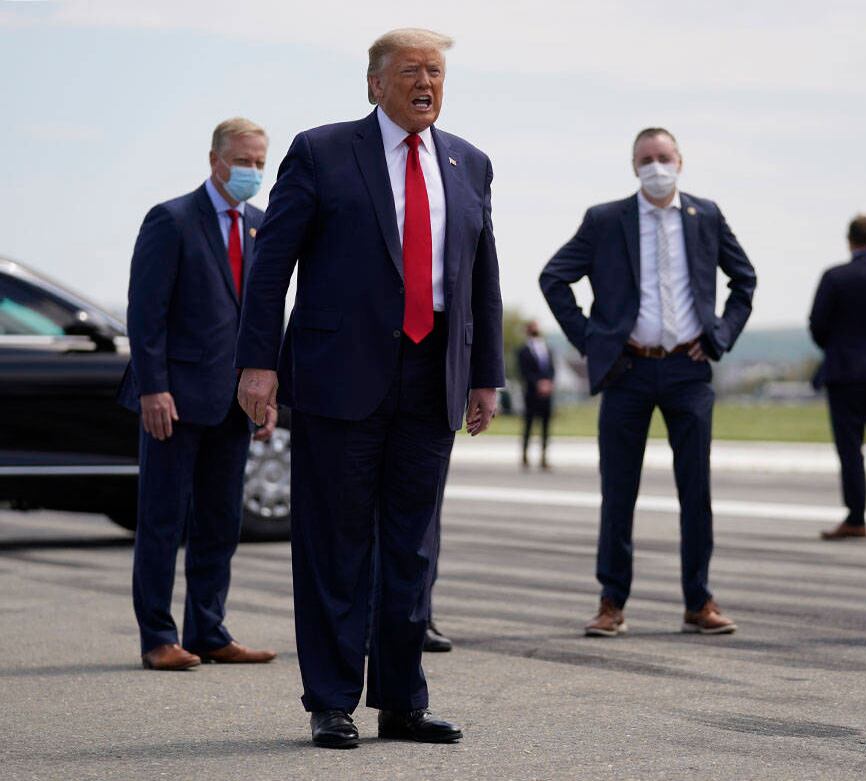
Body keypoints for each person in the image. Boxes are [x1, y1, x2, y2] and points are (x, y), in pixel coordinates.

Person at [234, 28, 503, 748]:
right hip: (338, 377)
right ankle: (330, 698)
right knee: (335, 542)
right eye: (413, 71)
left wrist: (486, 374)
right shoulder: (322, 151)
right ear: (375, 84)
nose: (427, 83)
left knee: (412, 549)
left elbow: (482, 278)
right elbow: (273, 266)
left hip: (432, 376)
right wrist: (259, 362)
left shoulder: (468, 163)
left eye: (437, 72)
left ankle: (402, 699)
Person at [540, 127, 756, 638]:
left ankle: (698, 601)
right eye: (645, 159)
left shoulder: (707, 216)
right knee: (618, 491)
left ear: (680, 160)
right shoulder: (606, 219)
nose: (656, 166)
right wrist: (592, 340)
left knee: (695, 491)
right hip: (627, 370)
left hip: (689, 369)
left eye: (663, 157)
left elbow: (744, 280)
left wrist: (720, 335)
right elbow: (554, 278)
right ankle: (611, 602)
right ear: (633, 166)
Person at [118, 118, 278, 671]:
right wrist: (153, 389)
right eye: (244, 161)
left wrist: (266, 390)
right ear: (215, 161)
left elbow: (263, 318)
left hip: (233, 403)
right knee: (163, 520)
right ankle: (159, 637)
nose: (252, 171)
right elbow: (146, 315)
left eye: (260, 162)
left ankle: (208, 630)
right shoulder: (172, 220)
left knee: (220, 520)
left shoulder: (261, 225)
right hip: (175, 401)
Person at [809, 215, 866, 540]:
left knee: (851, 449)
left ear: (849, 240)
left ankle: (856, 516)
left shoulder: (835, 277)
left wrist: (838, 347)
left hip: (846, 371)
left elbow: (817, 324)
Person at [516, 319, 555, 469]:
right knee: (528, 425)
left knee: (546, 426)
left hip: (546, 395)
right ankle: (524, 456)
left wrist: (549, 383)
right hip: (531, 394)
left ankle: (544, 457)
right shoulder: (523, 351)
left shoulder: (547, 349)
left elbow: (552, 369)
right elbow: (524, 372)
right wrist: (538, 383)